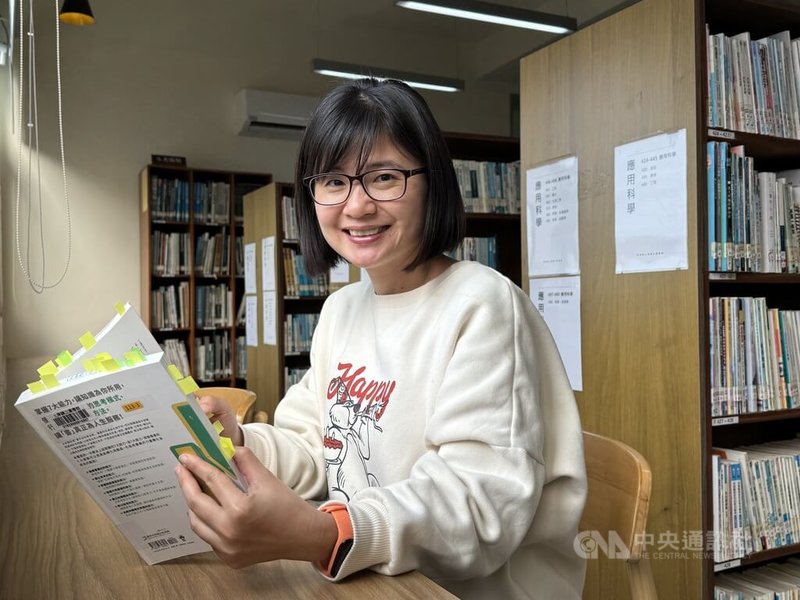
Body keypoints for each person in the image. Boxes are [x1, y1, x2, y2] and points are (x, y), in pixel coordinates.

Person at [175, 78, 587, 600]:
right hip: (374, 577)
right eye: (333, 182)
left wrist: (325, 535)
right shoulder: (342, 309)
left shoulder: (482, 305)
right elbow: (317, 446)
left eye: (385, 177)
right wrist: (236, 442)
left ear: (432, 182)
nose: (357, 206)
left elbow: (478, 506)